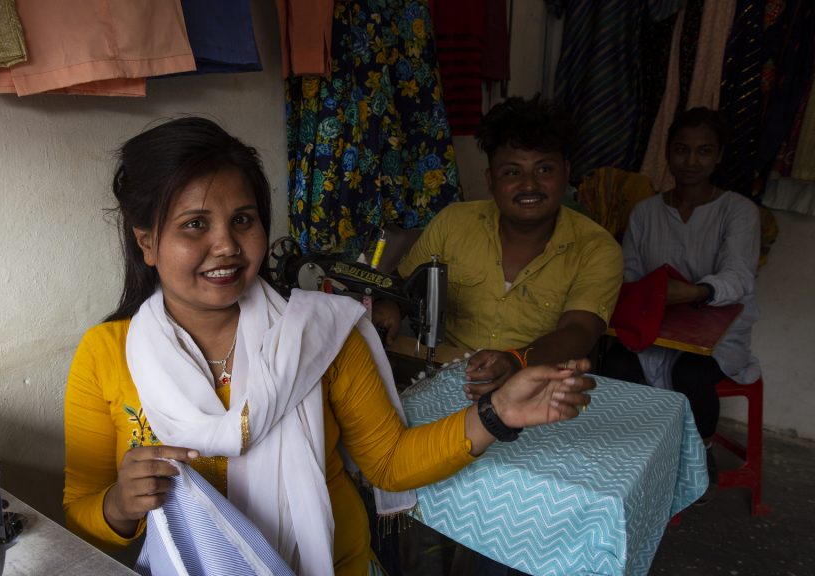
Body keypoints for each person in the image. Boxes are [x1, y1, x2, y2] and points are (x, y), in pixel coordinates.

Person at [63, 117, 597, 576]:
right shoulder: (106, 354)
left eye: (243, 220)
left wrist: (498, 412)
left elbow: (388, 462)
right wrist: (118, 506)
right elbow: (81, 510)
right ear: (147, 241)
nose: (225, 245)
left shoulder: (319, 335)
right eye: (195, 225)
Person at [373, 95, 623, 396]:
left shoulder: (596, 248)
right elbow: (406, 286)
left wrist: (517, 360)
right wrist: (392, 306)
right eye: (512, 172)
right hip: (451, 381)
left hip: (541, 391)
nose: (529, 185)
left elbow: (580, 330)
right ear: (491, 180)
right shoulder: (453, 223)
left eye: (544, 170)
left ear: (566, 172)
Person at [599, 107, 761, 479]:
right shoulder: (646, 212)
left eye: (703, 151)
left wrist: (695, 291)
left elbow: (738, 275)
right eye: (681, 149)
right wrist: (648, 295)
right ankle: (628, 459)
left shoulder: (738, 211)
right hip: (657, 324)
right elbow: (631, 273)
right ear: (667, 152)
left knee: (691, 372)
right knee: (615, 365)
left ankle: (697, 458)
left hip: (717, 334)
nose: (690, 161)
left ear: (719, 155)